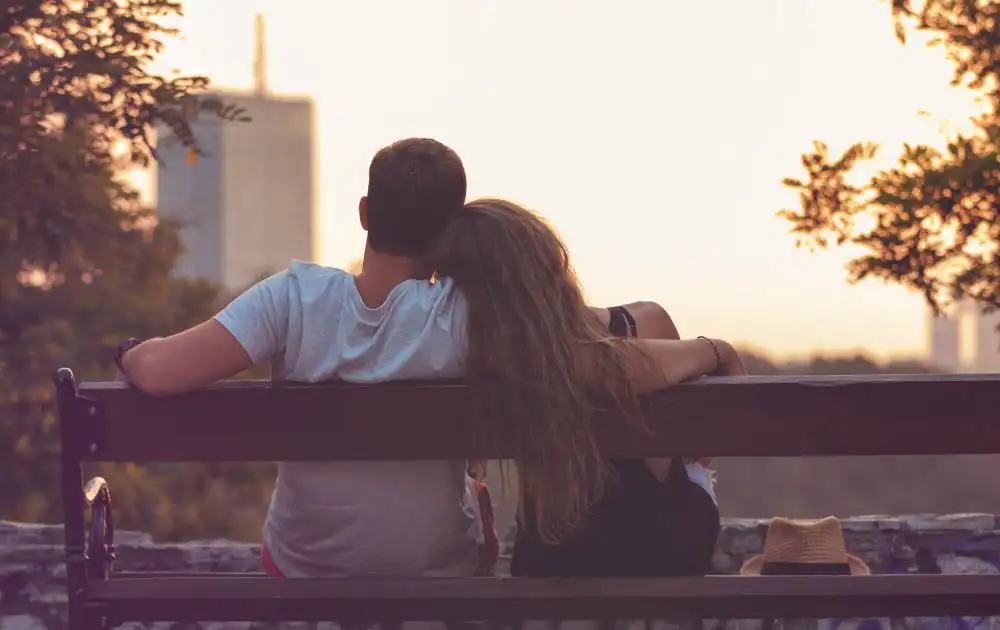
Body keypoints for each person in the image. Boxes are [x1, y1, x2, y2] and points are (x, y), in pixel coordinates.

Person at [112, 137, 499, 578]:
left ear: (364, 213)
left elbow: (158, 372)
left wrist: (129, 353)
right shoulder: (469, 313)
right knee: (476, 495)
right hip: (439, 571)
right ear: (454, 229)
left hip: (303, 568)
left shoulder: (294, 298)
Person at [428, 198, 746, 576]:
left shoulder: (472, 354)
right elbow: (701, 449)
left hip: (548, 550)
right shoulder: (640, 326)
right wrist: (716, 349)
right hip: (665, 547)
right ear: (550, 265)